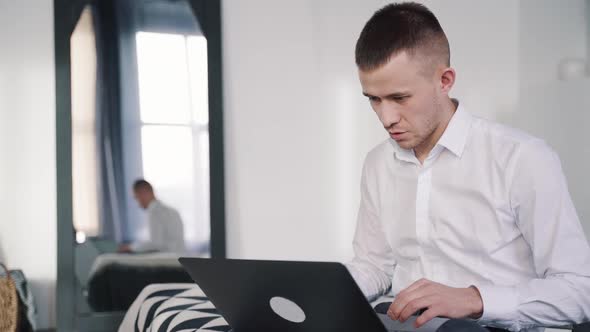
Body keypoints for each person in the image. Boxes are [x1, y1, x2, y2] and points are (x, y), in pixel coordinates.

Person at [345, 2, 590, 331]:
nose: (386, 118)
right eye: (373, 99)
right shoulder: (378, 163)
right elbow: (374, 265)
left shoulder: (522, 158)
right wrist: (323, 291)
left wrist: (477, 300)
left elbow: (580, 290)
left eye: (399, 98)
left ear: (445, 81)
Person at [118, 179, 186, 254]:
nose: (138, 204)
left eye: (136, 198)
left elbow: (155, 243)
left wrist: (131, 247)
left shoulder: (155, 212)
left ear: (143, 193)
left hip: (167, 260)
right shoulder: (173, 211)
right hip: (179, 258)